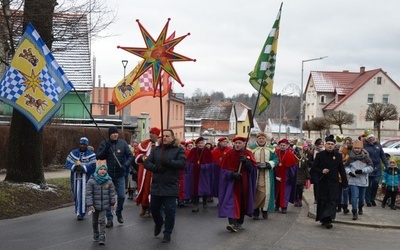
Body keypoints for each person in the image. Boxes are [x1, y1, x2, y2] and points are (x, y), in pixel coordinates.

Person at [144, 129, 186, 243]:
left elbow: (182, 164)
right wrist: (157, 168)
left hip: (171, 185)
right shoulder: (156, 150)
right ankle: (158, 223)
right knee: (155, 209)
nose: (165, 138)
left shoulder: (178, 150)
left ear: (173, 138)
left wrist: (168, 162)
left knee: (170, 211)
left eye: (168, 136)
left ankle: (167, 233)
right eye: (164, 136)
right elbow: (147, 163)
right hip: (157, 185)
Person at [96, 126, 133, 227]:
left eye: (116, 133)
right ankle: (109, 219)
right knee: (108, 197)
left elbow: (130, 156)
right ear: (109, 135)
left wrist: (125, 165)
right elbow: (99, 156)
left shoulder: (123, 143)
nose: (115, 135)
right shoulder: (105, 143)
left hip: (120, 175)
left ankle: (119, 211)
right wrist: (106, 148)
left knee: (121, 196)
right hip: (109, 176)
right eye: (113, 133)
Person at [218, 136, 257, 232]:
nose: (237, 145)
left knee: (242, 202)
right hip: (232, 184)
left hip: (244, 183)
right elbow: (223, 171)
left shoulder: (248, 153)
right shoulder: (229, 154)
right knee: (232, 202)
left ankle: (239, 222)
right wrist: (232, 174)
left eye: (240, 143)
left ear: (244, 144)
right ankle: (232, 223)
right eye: (236, 143)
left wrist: (246, 162)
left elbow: (253, 170)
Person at [312, 135, 348, 229]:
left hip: (333, 182)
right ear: (325, 144)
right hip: (323, 182)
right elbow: (314, 168)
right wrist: (321, 171)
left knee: (332, 201)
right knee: (323, 201)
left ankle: (329, 219)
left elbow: (341, 170)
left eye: (332, 144)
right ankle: (323, 219)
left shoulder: (338, 156)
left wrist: (345, 182)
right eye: (328, 144)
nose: (330, 146)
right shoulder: (320, 155)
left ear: (334, 145)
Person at [65, 137, 97, 220]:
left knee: (84, 194)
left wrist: (83, 168)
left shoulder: (91, 154)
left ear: (87, 145)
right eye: (81, 144)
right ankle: (78, 211)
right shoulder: (74, 153)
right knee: (76, 194)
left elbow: (93, 166)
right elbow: (68, 163)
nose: (82, 146)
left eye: (84, 144)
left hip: (86, 178)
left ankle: (81, 213)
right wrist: (75, 167)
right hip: (75, 178)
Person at [248, 132, 278, 219]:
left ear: (266, 139)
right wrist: (254, 164)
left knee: (266, 192)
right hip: (255, 174)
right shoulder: (251, 149)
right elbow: (248, 159)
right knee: (256, 192)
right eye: (260, 138)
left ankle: (264, 210)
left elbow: (276, 159)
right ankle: (256, 211)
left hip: (267, 174)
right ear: (257, 139)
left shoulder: (271, 149)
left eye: (263, 138)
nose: (261, 140)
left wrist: (269, 164)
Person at [185, 136, 218, 212]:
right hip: (194, 173)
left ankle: (204, 201)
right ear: (196, 144)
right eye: (199, 143)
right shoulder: (193, 151)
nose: (200, 144)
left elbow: (211, 163)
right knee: (195, 189)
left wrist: (204, 166)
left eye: (202, 143)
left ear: (204, 143)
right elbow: (189, 162)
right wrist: (193, 166)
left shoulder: (207, 151)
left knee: (204, 188)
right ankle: (196, 205)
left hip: (204, 174)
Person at [86, 164, 115, 245]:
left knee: (102, 220)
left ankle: (102, 235)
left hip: (104, 206)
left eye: (104, 169)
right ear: (97, 170)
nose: (103, 171)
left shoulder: (109, 181)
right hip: (94, 206)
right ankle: (96, 233)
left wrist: (112, 203)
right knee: (94, 222)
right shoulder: (91, 181)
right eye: (101, 169)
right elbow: (89, 194)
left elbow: (112, 193)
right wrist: (90, 204)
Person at [134, 127, 161, 217]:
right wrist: (142, 157)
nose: (151, 135)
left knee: (152, 189)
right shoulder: (145, 144)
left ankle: (151, 209)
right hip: (145, 170)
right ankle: (144, 207)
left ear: (157, 135)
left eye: (152, 134)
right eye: (150, 133)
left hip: (156, 170)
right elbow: (137, 154)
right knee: (144, 188)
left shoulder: (161, 145)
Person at [344, 140, 373, 220]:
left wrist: (362, 170)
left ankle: (360, 207)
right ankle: (354, 211)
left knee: (361, 197)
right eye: (355, 148)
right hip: (353, 180)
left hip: (363, 180)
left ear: (361, 148)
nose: (357, 149)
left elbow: (371, 167)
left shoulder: (366, 157)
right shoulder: (350, 157)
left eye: (358, 148)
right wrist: (349, 172)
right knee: (354, 196)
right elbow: (346, 167)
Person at [363, 130, 389, 207]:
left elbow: (382, 155)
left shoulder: (378, 145)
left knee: (375, 183)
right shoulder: (365, 146)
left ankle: (372, 199)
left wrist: (386, 164)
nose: (371, 139)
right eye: (369, 138)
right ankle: (367, 200)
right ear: (367, 139)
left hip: (377, 167)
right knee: (368, 185)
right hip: (368, 166)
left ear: (374, 137)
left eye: (372, 137)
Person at [274, 138, 298, 214]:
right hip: (276, 176)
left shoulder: (290, 154)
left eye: (284, 145)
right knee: (277, 191)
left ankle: (284, 207)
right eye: (281, 145)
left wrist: (291, 177)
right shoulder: (275, 153)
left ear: (287, 146)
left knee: (285, 192)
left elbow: (293, 167)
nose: (282, 147)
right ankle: (277, 205)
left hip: (286, 177)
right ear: (279, 146)